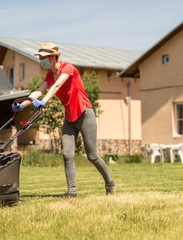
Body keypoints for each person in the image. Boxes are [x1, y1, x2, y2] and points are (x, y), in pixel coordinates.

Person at [12, 43, 116, 198]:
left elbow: (57, 86)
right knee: (67, 154)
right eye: (40, 58)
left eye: (44, 58)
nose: (42, 61)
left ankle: (110, 183)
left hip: (85, 114)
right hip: (70, 118)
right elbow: (38, 91)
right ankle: (72, 192)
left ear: (54, 57)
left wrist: (44, 102)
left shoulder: (68, 68)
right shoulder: (48, 76)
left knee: (92, 156)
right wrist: (22, 104)